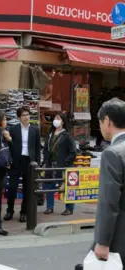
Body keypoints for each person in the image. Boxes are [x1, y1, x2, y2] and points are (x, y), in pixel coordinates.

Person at [76, 98, 125, 270]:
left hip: (119, 236)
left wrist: (103, 242)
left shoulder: (113, 154)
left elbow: (109, 201)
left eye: (100, 121)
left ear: (107, 121)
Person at [5, 107, 41, 223]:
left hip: (29, 161)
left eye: (27, 115)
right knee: (12, 187)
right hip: (16, 161)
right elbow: (9, 147)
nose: (26, 117)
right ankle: (9, 210)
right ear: (19, 117)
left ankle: (24, 212)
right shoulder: (13, 129)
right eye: (23, 115)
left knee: (27, 188)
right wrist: (8, 161)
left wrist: (38, 164)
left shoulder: (35, 130)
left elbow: (37, 148)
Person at [42, 113, 76, 216]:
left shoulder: (67, 135)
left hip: (62, 165)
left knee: (67, 186)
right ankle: (49, 207)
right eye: (55, 118)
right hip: (50, 164)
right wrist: (44, 161)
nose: (56, 120)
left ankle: (69, 208)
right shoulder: (51, 134)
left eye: (58, 118)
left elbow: (73, 152)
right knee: (48, 185)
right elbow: (45, 149)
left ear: (63, 121)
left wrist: (65, 162)